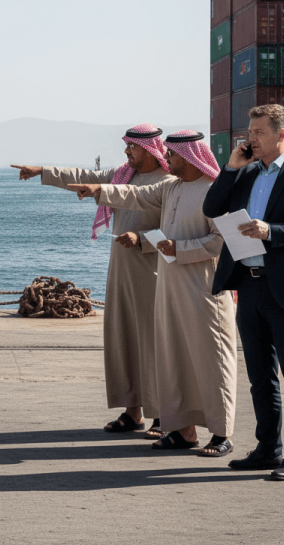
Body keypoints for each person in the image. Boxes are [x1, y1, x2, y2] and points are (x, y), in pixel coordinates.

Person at [68, 131, 237, 458]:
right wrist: (99, 190)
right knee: (174, 360)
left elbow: (221, 242)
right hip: (169, 288)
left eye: (171, 156)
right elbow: (136, 195)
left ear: (188, 157)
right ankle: (183, 431)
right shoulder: (170, 187)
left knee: (212, 361)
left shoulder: (217, 192)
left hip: (204, 291)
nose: (167, 161)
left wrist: (179, 248)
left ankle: (221, 434)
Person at [11, 124, 171, 438]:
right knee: (123, 338)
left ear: (151, 149)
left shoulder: (167, 183)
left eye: (133, 147)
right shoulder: (124, 174)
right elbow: (83, 177)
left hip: (152, 273)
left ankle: (162, 415)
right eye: (126, 147)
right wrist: (41, 171)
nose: (127, 152)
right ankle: (132, 411)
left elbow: (177, 233)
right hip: (121, 270)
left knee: (152, 343)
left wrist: (140, 239)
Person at [202, 104, 284, 481]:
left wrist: (271, 231)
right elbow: (211, 207)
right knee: (261, 376)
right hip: (248, 284)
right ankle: (267, 449)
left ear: (281, 134)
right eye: (249, 131)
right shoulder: (246, 172)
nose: (249, 138)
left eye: (257, 132)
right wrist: (230, 169)